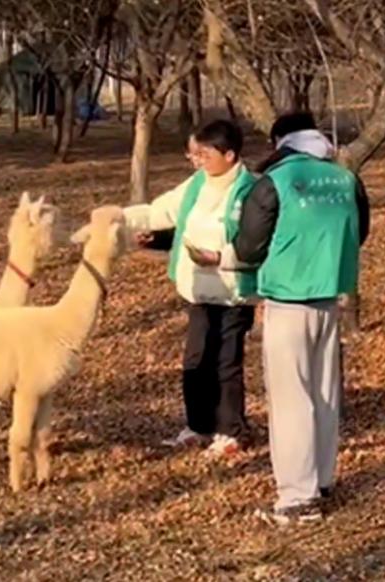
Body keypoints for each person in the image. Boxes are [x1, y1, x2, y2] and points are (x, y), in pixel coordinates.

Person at [190, 112, 370, 524]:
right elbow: (359, 232)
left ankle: (297, 498)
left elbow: (251, 247)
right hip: (329, 298)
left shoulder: (276, 181)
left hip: (288, 300)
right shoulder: (345, 178)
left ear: (280, 140)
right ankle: (323, 480)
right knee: (325, 394)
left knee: (291, 401)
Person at [123, 119, 259, 457]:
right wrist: (131, 224)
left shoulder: (252, 189)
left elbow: (256, 243)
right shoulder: (196, 184)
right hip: (198, 289)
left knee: (226, 362)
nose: (197, 160)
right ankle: (198, 425)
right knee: (196, 358)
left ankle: (231, 431)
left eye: (204, 153)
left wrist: (220, 257)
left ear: (229, 154)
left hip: (233, 291)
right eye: (194, 154)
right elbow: (164, 212)